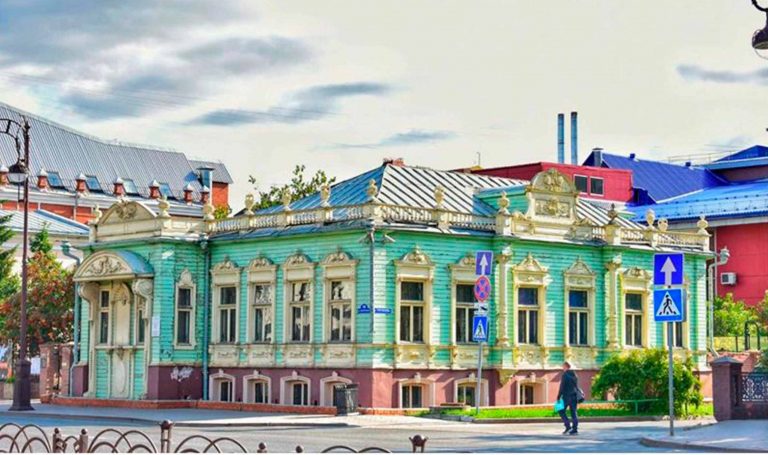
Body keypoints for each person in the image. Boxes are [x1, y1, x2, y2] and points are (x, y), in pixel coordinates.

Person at [557, 361, 579, 435]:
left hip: (566, 396)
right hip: (574, 396)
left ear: (566, 366)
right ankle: (575, 429)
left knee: (560, 410)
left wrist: (558, 397)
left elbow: (562, 386)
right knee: (574, 413)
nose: (562, 368)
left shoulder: (565, 375)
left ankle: (568, 426)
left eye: (563, 366)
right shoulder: (575, 374)